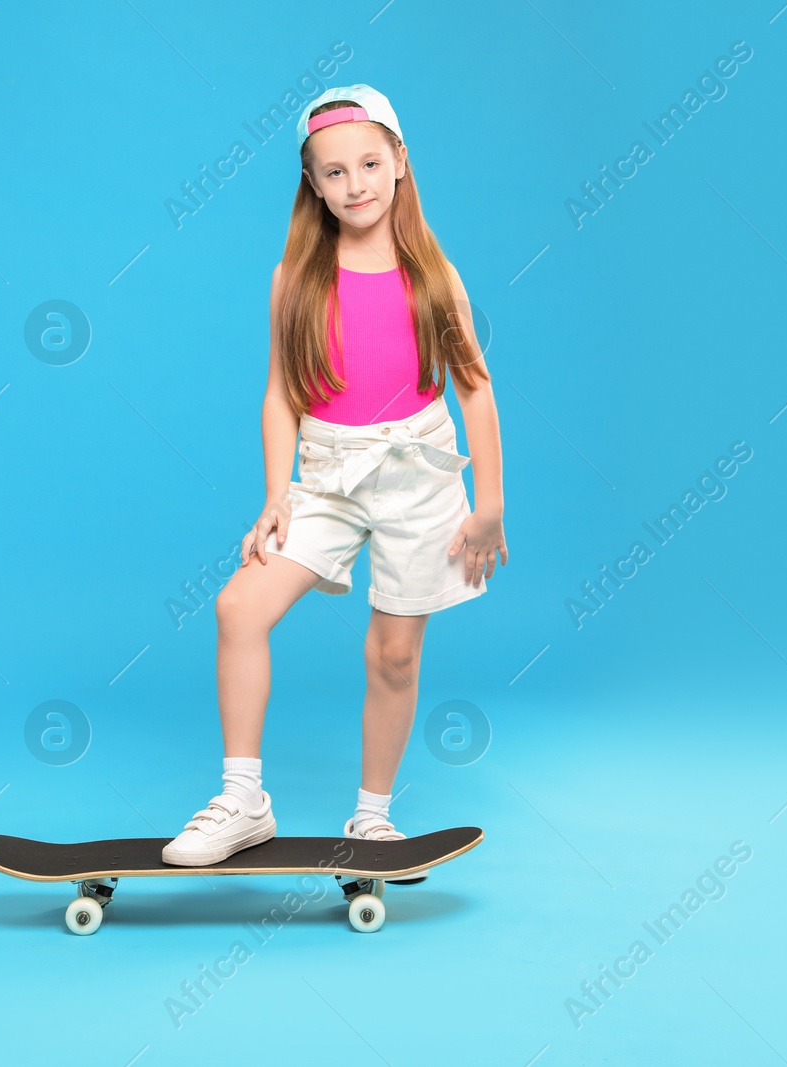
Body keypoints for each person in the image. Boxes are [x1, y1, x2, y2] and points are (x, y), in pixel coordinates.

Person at [162, 83, 506, 867]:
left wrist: (489, 506)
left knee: (392, 652)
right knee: (238, 606)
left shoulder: (434, 276)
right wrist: (277, 493)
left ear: (401, 163)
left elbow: (475, 388)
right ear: (312, 185)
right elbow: (282, 393)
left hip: (416, 472)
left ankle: (372, 816)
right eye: (335, 172)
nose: (356, 185)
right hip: (324, 470)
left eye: (370, 164)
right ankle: (243, 797)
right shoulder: (296, 276)